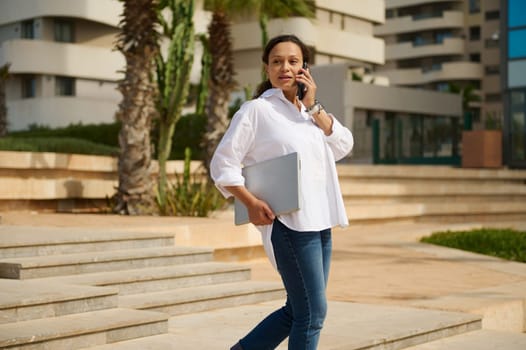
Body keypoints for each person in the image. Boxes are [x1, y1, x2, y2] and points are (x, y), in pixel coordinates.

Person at [210, 34, 354, 350]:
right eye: (277, 61)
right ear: (267, 68)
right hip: (289, 225)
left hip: (321, 224)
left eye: (293, 61)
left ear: (305, 68)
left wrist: (314, 106)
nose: (284, 67)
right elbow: (223, 164)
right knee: (313, 313)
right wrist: (249, 201)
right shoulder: (256, 110)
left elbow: (344, 145)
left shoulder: (310, 114)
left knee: (298, 309)